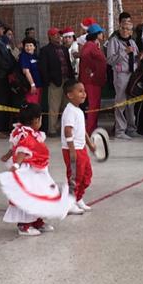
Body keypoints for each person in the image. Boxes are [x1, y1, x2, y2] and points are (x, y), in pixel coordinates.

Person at [0, 104, 68, 236]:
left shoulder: (22, 132)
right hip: (28, 170)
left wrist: (7, 156)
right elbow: (21, 151)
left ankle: (37, 221)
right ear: (36, 120)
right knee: (31, 195)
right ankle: (24, 225)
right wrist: (17, 165)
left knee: (42, 193)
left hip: (37, 168)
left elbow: (13, 148)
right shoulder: (27, 135)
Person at [60, 79, 94, 215]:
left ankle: (78, 198)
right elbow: (67, 131)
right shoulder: (69, 111)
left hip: (82, 148)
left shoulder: (78, 111)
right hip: (72, 149)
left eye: (84, 91)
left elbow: (82, 130)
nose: (84, 94)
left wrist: (90, 144)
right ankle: (70, 202)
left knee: (86, 174)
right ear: (70, 95)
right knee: (75, 177)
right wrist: (72, 150)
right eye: (80, 91)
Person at [106, 12, 139, 139]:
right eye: (123, 28)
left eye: (128, 29)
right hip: (121, 75)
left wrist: (137, 59)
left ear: (131, 32)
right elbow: (110, 60)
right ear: (119, 28)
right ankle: (120, 130)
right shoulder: (114, 41)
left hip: (132, 74)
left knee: (131, 103)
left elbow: (135, 57)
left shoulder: (132, 42)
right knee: (121, 103)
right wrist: (124, 52)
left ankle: (131, 128)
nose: (126, 31)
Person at [38, 28, 73, 136]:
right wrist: (48, 80)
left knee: (67, 106)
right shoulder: (45, 50)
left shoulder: (64, 49)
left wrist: (71, 79)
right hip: (54, 82)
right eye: (55, 34)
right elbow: (43, 68)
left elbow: (68, 64)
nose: (58, 36)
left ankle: (65, 128)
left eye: (59, 34)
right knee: (54, 106)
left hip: (66, 80)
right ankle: (52, 129)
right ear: (50, 37)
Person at [78, 24, 107, 135]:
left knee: (95, 105)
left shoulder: (93, 45)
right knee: (93, 105)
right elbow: (84, 56)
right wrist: (91, 71)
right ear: (96, 34)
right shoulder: (90, 46)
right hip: (92, 82)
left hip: (95, 81)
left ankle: (92, 127)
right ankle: (89, 129)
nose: (102, 35)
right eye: (101, 33)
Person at [18, 37, 42, 106]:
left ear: (34, 47)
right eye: (26, 46)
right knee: (31, 106)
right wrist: (32, 84)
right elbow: (26, 71)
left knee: (37, 104)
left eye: (31, 45)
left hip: (39, 86)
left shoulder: (35, 56)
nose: (28, 48)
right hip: (30, 87)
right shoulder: (24, 56)